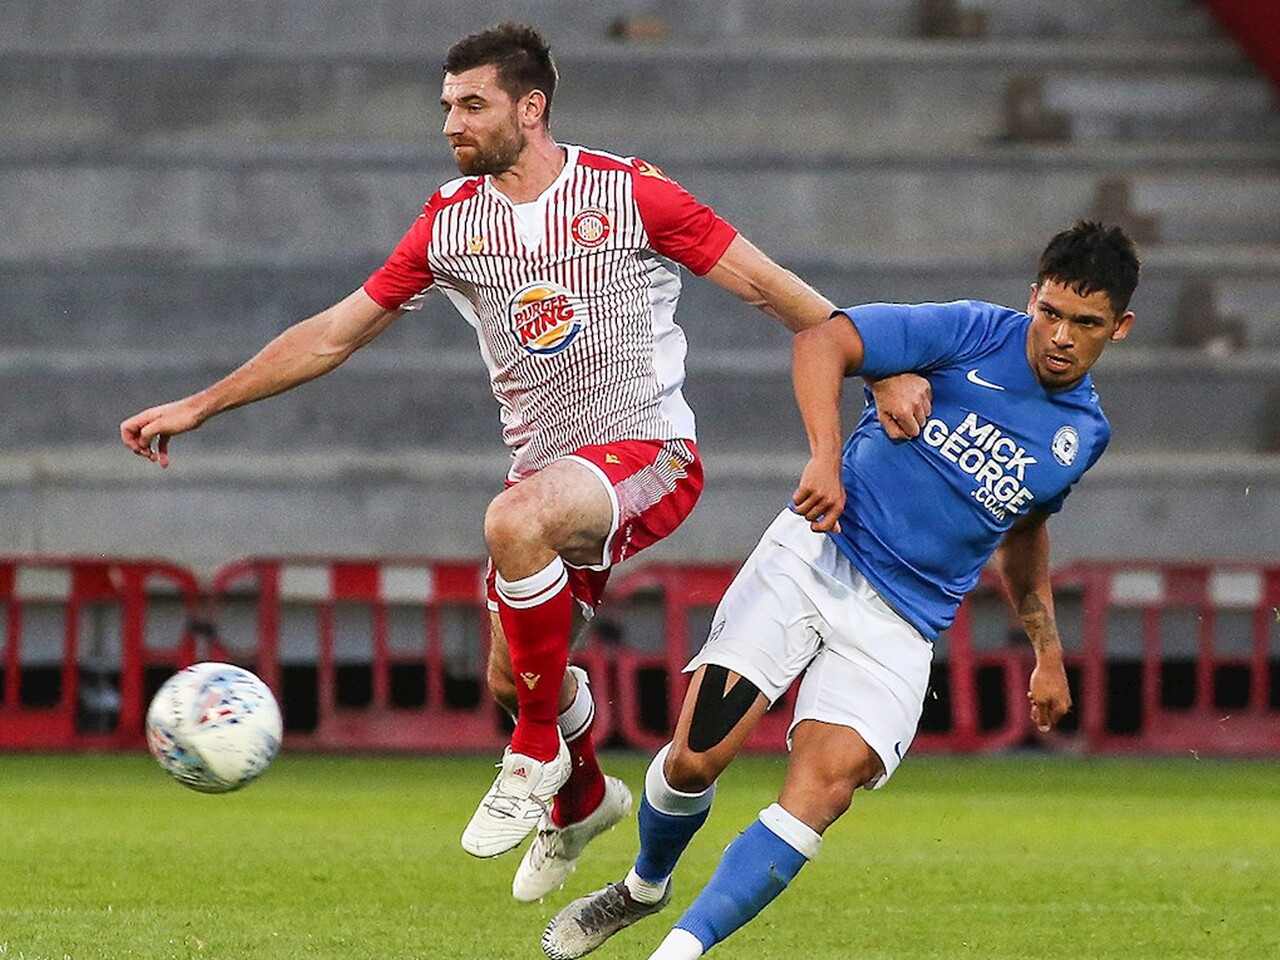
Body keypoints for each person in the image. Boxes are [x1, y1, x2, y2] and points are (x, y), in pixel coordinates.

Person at [118, 22, 924, 902]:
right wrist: (201, 405)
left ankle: (535, 753)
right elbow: (333, 335)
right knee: (512, 674)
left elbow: (772, 288)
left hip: (649, 452)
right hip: (547, 471)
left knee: (514, 526)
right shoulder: (450, 222)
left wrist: (878, 363)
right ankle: (581, 800)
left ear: (530, 107)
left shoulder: (629, 194)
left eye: (472, 105)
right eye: (446, 107)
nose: (451, 124)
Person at [541, 220, 1140, 959]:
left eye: (1086, 324)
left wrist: (1046, 651)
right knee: (694, 761)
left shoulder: (1084, 434)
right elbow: (823, 338)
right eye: (1051, 312)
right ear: (1033, 297)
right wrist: (825, 458)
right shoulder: (972, 333)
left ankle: (680, 952)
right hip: (815, 557)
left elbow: (1023, 530)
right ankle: (643, 885)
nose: (1060, 337)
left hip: (903, 624)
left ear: (1120, 327)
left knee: (822, 793)